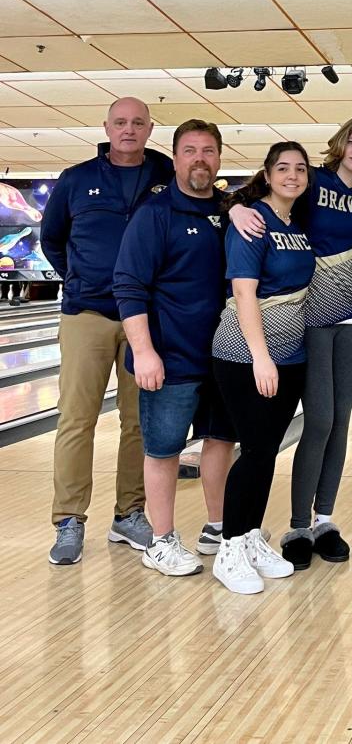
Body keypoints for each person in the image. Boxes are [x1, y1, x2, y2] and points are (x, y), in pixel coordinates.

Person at [230, 116, 352, 570]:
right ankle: (298, 524)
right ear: (341, 144)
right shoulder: (312, 178)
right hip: (310, 312)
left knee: (340, 419)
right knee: (318, 419)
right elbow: (254, 198)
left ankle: (324, 519)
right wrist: (234, 208)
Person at [41, 97, 174, 565]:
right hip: (88, 315)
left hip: (146, 317)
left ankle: (129, 514)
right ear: (106, 127)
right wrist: (81, 278)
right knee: (76, 419)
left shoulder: (167, 175)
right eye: (121, 122)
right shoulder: (77, 180)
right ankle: (69, 520)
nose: (129, 130)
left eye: (138, 122)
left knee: (139, 422)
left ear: (150, 128)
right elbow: (51, 240)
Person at [114, 119, 235, 577]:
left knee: (221, 440)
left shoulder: (229, 211)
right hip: (171, 357)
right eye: (190, 151)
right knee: (163, 448)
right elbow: (128, 284)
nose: (200, 159)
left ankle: (217, 527)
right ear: (177, 157)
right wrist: (144, 352)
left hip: (224, 355)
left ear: (219, 158)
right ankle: (160, 541)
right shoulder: (156, 213)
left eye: (208, 151)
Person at [211, 142, 315, 594]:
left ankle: (251, 535)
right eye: (283, 168)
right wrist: (261, 356)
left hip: (290, 354)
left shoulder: (296, 222)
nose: (292, 175)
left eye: (299, 169)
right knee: (254, 449)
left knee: (267, 450)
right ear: (268, 174)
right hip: (245, 353)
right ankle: (229, 547)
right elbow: (244, 292)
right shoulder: (253, 222)